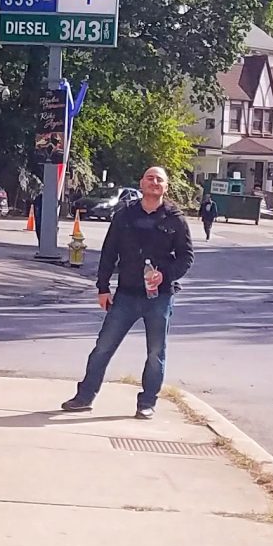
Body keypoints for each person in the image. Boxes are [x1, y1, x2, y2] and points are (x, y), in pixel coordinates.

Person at [60, 163, 194, 418]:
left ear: (166, 187)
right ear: (142, 183)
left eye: (160, 180)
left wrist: (165, 274)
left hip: (160, 297)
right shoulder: (125, 214)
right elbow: (109, 252)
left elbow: (186, 257)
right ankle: (84, 396)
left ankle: (147, 403)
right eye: (150, 178)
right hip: (126, 295)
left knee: (156, 353)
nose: (154, 183)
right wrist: (103, 287)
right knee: (103, 347)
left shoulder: (175, 219)